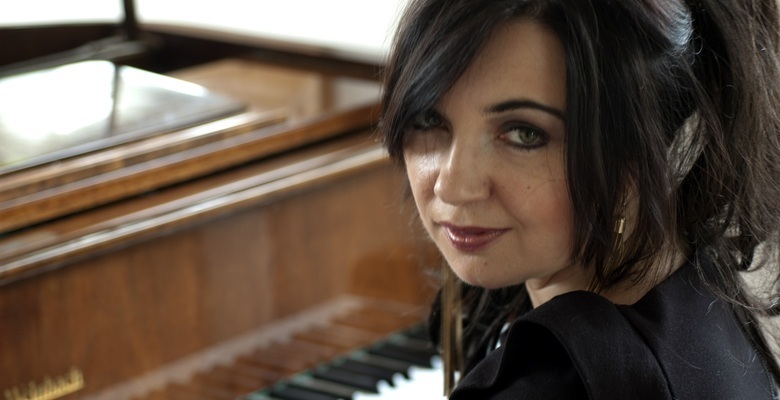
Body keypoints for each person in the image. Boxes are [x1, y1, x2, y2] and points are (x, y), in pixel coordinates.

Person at [380, 0, 780, 398]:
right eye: (429, 119)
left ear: (637, 149)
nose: (451, 186)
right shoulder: (705, 296)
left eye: (524, 134)